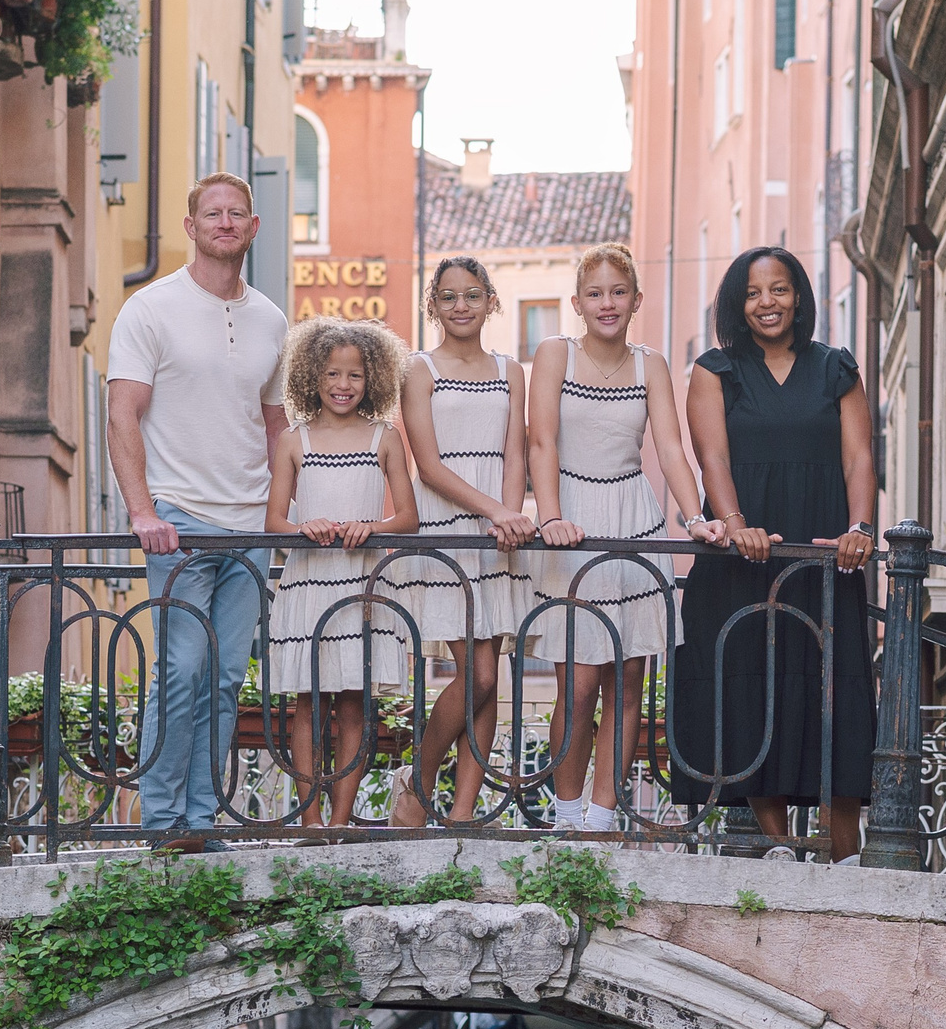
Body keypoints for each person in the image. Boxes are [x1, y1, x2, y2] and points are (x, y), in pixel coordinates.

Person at [105, 172, 291, 850]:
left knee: (225, 679)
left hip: (249, 528)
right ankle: (162, 823)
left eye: (236, 212)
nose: (223, 222)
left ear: (252, 227)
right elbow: (121, 412)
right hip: (178, 522)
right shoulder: (149, 310)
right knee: (181, 671)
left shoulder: (272, 319)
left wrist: (283, 513)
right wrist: (141, 510)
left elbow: (276, 428)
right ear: (190, 226)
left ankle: (203, 820)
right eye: (211, 213)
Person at [677, 246, 878, 863]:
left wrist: (860, 529)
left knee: (831, 705)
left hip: (826, 564)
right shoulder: (714, 370)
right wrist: (736, 524)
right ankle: (781, 856)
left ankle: (847, 868)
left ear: (799, 297)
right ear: (738, 303)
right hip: (743, 565)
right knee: (752, 702)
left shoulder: (836, 368)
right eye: (755, 292)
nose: (768, 302)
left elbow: (859, 458)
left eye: (781, 289)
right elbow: (711, 459)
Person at [528, 242, 722, 834]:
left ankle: (603, 816)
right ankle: (565, 816)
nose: (606, 303)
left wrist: (693, 519)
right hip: (573, 525)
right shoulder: (554, 353)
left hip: (635, 520)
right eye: (595, 293)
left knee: (628, 678)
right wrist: (551, 516)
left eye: (618, 292)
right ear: (577, 302)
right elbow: (541, 442)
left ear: (635, 300)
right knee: (578, 682)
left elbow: (670, 449)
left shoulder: (651, 364)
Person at [389, 255, 538, 828]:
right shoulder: (419, 368)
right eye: (448, 297)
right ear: (433, 305)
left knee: (490, 675)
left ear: (490, 301)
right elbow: (427, 466)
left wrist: (508, 517)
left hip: (499, 536)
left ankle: (463, 812)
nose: (460, 306)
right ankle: (418, 782)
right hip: (446, 530)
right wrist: (497, 510)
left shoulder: (510, 370)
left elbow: (516, 452)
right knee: (475, 675)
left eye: (472, 295)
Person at [263, 318, 421, 831]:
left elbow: (408, 518)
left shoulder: (385, 436)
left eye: (354, 375)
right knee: (308, 705)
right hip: (308, 583)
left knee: (355, 703)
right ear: (313, 377)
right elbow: (274, 522)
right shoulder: (294, 440)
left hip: (363, 584)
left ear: (371, 378)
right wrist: (302, 527)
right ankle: (310, 822)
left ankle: (340, 819)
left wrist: (370, 526)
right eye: (332, 373)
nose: (343, 385)